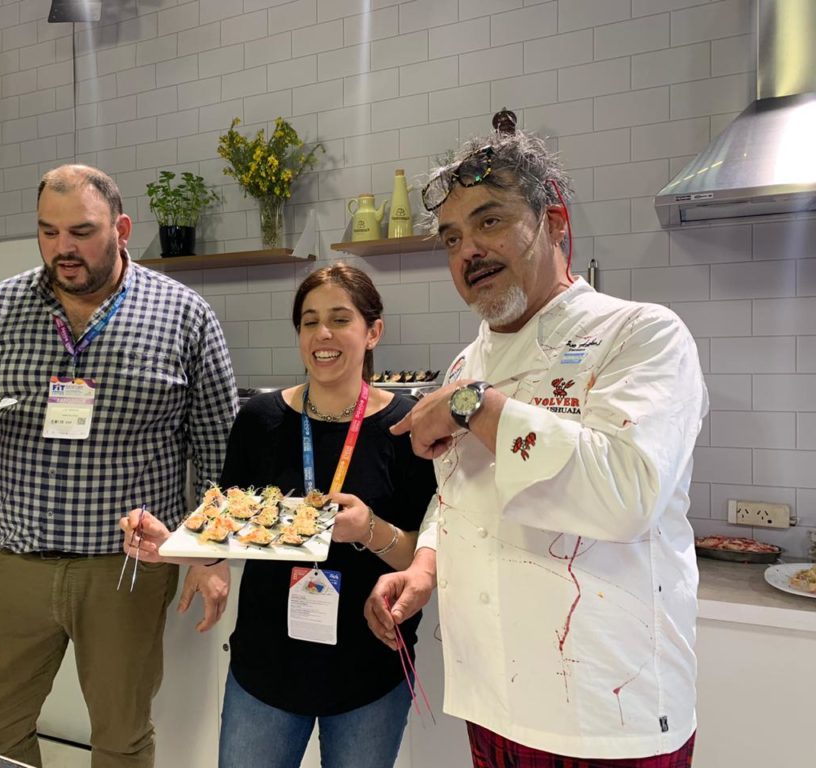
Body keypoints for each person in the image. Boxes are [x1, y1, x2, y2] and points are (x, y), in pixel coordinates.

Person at [366, 125, 708, 767]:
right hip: (495, 701)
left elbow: (627, 492)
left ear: (554, 221)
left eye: (490, 221)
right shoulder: (470, 359)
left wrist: (474, 405)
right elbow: (457, 494)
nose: (468, 251)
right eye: (451, 239)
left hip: (606, 712)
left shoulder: (640, 334)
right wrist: (424, 567)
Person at [0, 164, 237, 768]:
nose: (64, 248)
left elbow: (217, 446)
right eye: (48, 231)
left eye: (82, 231)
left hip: (127, 568)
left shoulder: (185, 314)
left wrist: (212, 556)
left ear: (122, 228)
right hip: (15, 561)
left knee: (121, 736)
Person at [122, 264, 437, 768]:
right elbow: (226, 521)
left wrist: (369, 530)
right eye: (309, 322)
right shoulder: (260, 420)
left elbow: (425, 551)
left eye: (340, 318)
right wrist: (177, 545)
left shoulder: (405, 426)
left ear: (373, 331)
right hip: (268, 663)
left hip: (370, 664)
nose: (323, 334)